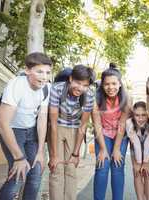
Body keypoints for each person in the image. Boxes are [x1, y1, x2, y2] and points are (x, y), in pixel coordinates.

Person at [0, 52, 52, 200]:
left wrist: (40, 151)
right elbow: (3, 123)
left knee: (36, 173)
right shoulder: (17, 85)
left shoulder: (46, 88)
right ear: (27, 70)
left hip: (31, 131)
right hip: (13, 130)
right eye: (39, 71)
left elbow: (42, 119)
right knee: (19, 174)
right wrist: (19, 158)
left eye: (47, 72)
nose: (44, 77)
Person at [48, 64, 95, 200]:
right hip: (57, 127)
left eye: (85, 85)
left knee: (71, 169)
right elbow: (53, 122)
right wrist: (54, 155)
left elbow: (83, 125)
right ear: (70, 79)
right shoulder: (57, 89)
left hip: (75, 129)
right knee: (56, 168)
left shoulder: (89, 95)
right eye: (78, 82)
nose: (80, 88)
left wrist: (76, 153)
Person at [91, 63, 131, 200]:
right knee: (102, 168)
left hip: (120, 136)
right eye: (107, 84)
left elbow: (122, 124)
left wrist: (117, 148)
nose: (111, 87)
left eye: (114, 83)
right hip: (103, 135)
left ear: (120, 84)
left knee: (117, 168)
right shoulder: (96, 99)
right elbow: (96, 124)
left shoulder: (126, 98)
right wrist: (103, 149)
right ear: (102, 85)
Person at [126, 101, 149, 200]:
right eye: (137, 115)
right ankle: (140, 198)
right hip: (135, 145)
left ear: (148, 115)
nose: (140, 118)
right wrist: (138, 163)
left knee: (147, 171)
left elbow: (148, 143)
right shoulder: (129, 123)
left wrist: (146, 163)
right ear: (133, 115)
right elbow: (136, 144)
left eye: (144, 115)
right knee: (137, 172)